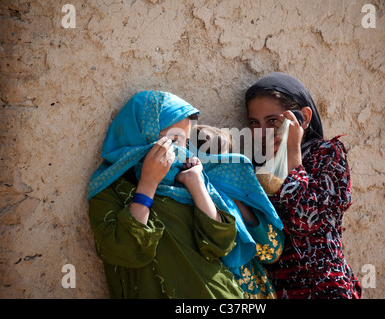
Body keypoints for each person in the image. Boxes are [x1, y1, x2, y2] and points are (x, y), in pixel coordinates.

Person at [87, 90, 244, 298]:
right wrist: (148, 183)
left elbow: (220, 244)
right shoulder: (109, 189)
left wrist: (195, 182)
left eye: (184, 142)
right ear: (142, 133)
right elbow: (126, 250)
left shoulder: (183, 178)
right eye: (173, 140)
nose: (181, 150)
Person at [244, 72, 362, 299]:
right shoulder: (260, 171)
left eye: (272, 121)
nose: (262, 133)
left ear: (303, 118)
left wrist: (292, 151)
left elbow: (304, 219)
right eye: (253, 123)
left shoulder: (327, 154)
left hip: (324, 290)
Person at [194, 125, 284, 299]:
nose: (230, 172)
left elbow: (271, 250)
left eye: (230, 163)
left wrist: (238, 203)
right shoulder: (188, 196)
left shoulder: (245, 203)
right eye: (216, 163)